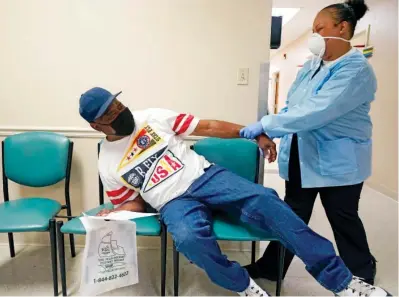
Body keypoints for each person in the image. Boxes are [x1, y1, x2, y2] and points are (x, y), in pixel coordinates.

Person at [79, 86, 391, 296]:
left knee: (267, 200)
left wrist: (249, 133)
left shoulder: (152, 117)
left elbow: (209, 127)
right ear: (96, 125)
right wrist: (114, 213)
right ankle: (243, 286)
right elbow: (133, 203)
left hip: (205, 177)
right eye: (110, 114)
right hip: (172, 202)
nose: (120, 112)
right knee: (189, 240)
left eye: (119, 105)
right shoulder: (108, 163)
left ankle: (343, 282)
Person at [240, 0, 379, 287]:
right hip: (302, 154)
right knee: (291, 215)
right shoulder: (313, 64)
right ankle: (273, 266)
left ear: (342, 28)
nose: (315, 35)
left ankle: (362, 272)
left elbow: (317, 111)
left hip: (339, 160)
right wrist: (274, 131)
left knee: (342, 218)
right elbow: (294, 106)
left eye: (320, 28)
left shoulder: (356, 70)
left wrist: (266, 125)